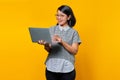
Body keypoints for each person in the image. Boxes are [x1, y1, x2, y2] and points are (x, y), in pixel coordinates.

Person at [38, 5, 81, 80]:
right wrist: (45, 44)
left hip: (67, 68)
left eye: (62, 15)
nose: (59, 18)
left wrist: (62, 42)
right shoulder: (51, 29)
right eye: (57, 15)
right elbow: (49, 50)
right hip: (51, 67)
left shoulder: (74, 33)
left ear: (68, 17)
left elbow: (74, 51)